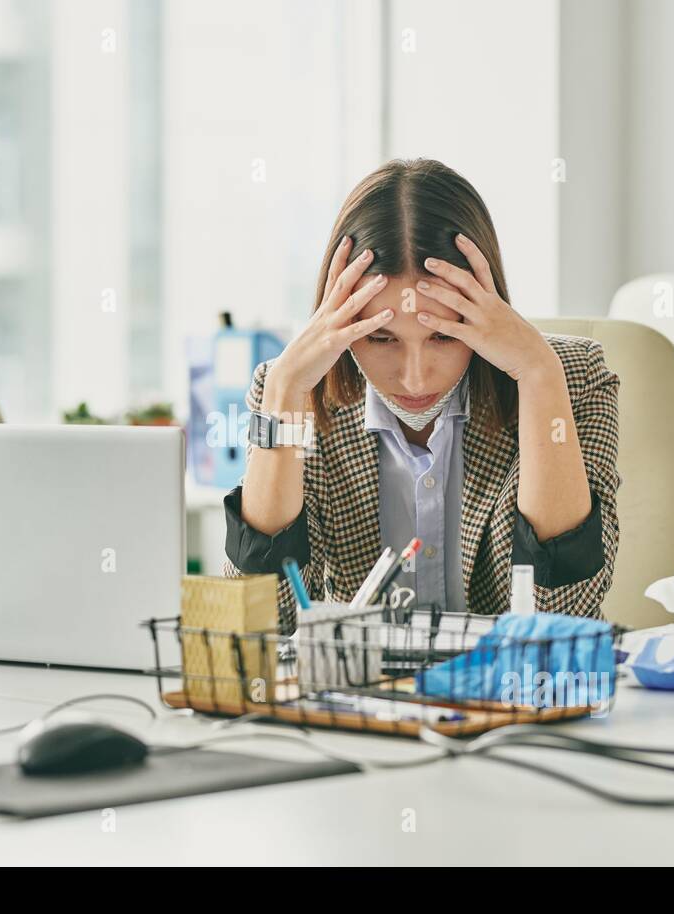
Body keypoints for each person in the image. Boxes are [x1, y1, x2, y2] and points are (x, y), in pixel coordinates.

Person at [222, 158, 621, 635]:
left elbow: (566, 615)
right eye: (381, 339)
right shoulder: (294, 392)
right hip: (361, 701)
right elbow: (257, 622)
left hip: (508, 700)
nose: (413, 379)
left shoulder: (569, 379)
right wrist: (285, 392)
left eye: (443, 337)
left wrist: (538, 376)